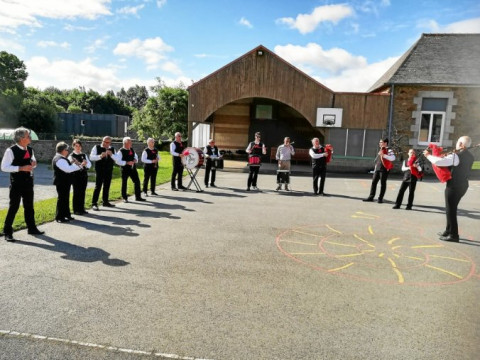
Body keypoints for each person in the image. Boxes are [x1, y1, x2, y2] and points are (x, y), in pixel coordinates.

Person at [423, 136, 474, 242]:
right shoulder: (470, 156)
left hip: (454, 186)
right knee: (450, 209)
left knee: (451, 210)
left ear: (461, 144)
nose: (456, 143)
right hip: (463, 185)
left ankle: (454, 235)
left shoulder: (456, 156)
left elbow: (438, 162)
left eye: (457, 142)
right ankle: (448, 230)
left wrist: (428, 155)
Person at [1, 127, 44, 241]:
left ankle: (32, 228)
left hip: (29, 182)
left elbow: (32, 163)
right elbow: (4, 167)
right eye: (28, 136)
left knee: (29, 206)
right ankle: (7, 231)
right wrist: (21, 168)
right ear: (21, 138)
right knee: (13, 207)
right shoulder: (11, 150)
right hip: (17, 183)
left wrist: (34, 164)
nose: (30, 137)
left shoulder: (30, 149)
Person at [52, 142, 83, 223]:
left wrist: (72, 162)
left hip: (65, 182)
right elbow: (68, 169)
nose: (67, 151)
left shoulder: (62, 158)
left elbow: (67, 166)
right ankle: (59, 217)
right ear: (62, 150)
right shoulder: (59, 159)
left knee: (65, 199)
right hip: (61, 182)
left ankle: (66, 214)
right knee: (62, 199)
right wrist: (79, 165)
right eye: (66, 150)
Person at [363, 138, 395, 203]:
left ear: (385, 143)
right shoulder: (380, 150)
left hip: (384, 169)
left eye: (381, 142)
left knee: (383, 183)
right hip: (377, 168)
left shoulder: (389, 150)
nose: (379, 143)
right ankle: (371, 196)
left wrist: (384, 155)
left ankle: (380, 198)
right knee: (374, 182)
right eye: (379, 142)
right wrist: (375, 169)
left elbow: (393, 158)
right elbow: (378, 160)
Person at [115, 137, 146, 203]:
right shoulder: (121, 151)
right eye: (129, 142)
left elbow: (135, 156)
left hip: (133, 168)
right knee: (124, 183)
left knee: (137, 181)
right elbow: (117, 161)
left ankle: (138, 197)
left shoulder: (131, 149)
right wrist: (126, 162)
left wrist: (135, 159)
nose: (131, 143)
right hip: (125, 169)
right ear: (125, 143)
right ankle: (124, 198)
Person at [90, 136, 116, 210]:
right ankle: (94, 203)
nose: (105, 143)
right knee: (98, 186)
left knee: (107, 186)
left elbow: (117, 159)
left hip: (109, 170)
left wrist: (112, 155)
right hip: (99, 170)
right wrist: (100, 156)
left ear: (110, 142)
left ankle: (105, 201)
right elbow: (91, 157)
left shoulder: (112, 149)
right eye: (104, 141)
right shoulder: (96, 147)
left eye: (107, 142)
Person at [69, 139, 91, 215]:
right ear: (73, 146)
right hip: (75, 176)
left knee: (82, 192)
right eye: (76, 146)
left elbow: (89, 165)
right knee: (76, 192)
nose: (78, 147)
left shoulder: (84, 155)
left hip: (84, 176)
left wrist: (86, 164)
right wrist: (81, 165)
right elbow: (72, 166)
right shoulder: (71, 156)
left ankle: (81, 208)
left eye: (79, 146)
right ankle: (76, 209)